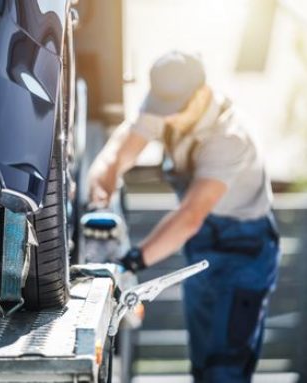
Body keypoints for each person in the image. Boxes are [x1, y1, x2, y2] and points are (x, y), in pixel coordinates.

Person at [88, 51, 281, 383]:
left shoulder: (230, 138)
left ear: (202, 93)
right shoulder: (166, 100)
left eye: (176, 110)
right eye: (164, 110)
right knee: (203, 360)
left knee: (225, 367)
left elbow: (190, 215)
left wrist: (131, 262)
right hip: (204, 242)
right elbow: (122, 149)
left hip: (243, 251)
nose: (170, 119)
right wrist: (102, 184)